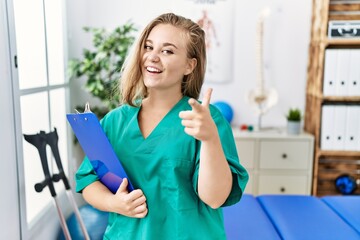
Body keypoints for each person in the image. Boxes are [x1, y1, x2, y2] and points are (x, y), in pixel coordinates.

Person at [75, 12, 248, 240]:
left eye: (167, 51)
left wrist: (210, 139)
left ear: (189, 65)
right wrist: (113, 203)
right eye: (148, 47)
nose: (153, 57)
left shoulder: (207, 120)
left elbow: (215, 198)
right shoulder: (115, 121)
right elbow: (89, 180)